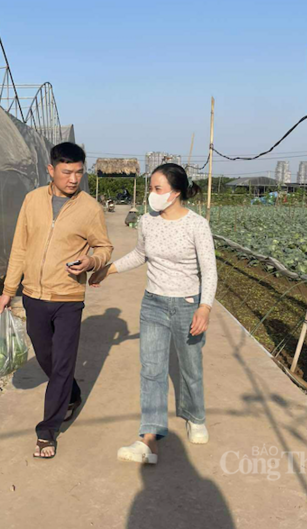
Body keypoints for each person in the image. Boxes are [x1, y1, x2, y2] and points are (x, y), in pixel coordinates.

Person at [89, 163, 217, 464]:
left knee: (190, 367)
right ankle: (149, 439)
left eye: (158, 189)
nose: (152, 194)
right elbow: (140, 254)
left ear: (175, 193)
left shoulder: (197, 224)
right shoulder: (147, 222)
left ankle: (195, 416)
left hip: (188, 304)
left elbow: (209, 270)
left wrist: (204, 307)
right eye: (151, 187)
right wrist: (108, 270)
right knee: (152, 370)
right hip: (154, 305)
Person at [0, 142, 113, 459]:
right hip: (33, 295)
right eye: (66, 172)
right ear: (51, 170)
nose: (73, 179)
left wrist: (92, 263)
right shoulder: (32, 201)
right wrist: (8, 291)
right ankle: (71, 393)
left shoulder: (90, 208)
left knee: (62, 363)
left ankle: (47, 431)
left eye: (78, 172)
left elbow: (104, 247)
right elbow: (20, 247)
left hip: (68, 297)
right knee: (46, 357)